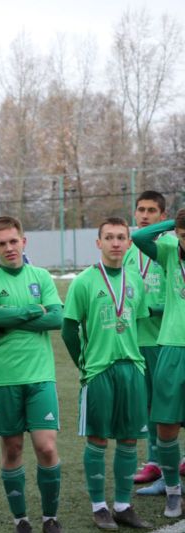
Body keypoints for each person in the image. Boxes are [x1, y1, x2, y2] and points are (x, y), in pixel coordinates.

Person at [62, 217, 152, 529]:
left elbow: (137, 322)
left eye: (121, 237)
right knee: (98, 439)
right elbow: (68, 329)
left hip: (132, 368)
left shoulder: (135, 280)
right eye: (109, 237)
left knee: (129, 439)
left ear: (129, 243)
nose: (115, 243)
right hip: (99, 370)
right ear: (98, 243)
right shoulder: (84, 281)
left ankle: (123, 505)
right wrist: (84, 365)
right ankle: (99, 506)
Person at [0, 216, 64, 533]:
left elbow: (56, 318)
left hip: (41, 377)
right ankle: (21, 520)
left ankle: (50, 517)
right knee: (12, 448)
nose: (9, 248)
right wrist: (31, 310)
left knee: (46, 447)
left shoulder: (40, 276)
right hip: (3, 378)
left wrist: (8, 318)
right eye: (1, 243)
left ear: (23, 242)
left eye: (14, 241)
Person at [132, 207, 185, 519]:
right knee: (166, 423)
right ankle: (173, 491)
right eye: (183, 236)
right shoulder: (169, 251)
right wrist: (174, 222)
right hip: (172, 346)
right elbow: (140, 236)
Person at [123, 191, 177, 494]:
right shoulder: (129, 252)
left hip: (165, 339)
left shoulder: (171, 247)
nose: (145, 215)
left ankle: (172, 460)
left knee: (168, 405)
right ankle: (155, 460)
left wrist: (151, 309)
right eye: (141, 210)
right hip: (136, 340)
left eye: (152, 211)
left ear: (163, 216)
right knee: (146, 404)